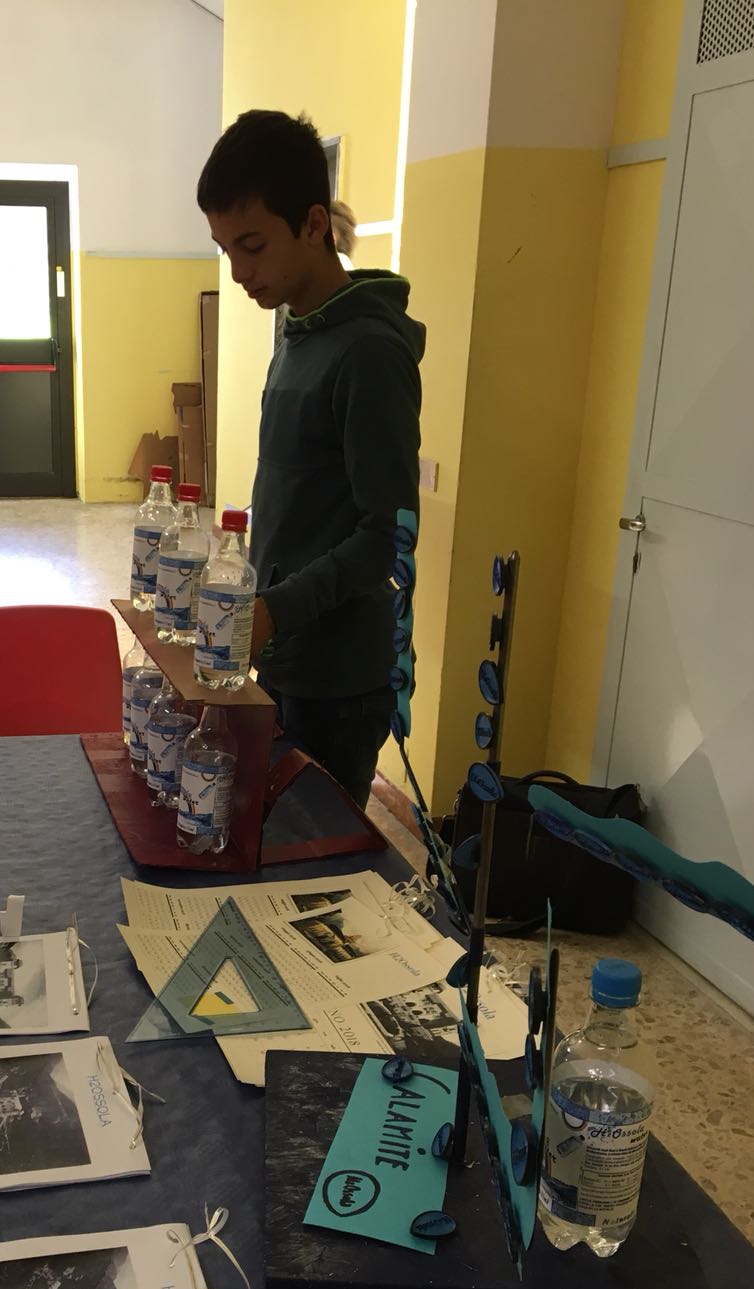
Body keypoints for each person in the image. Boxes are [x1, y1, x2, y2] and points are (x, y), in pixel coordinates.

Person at [197, 109, 424, 806]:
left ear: (314, 224)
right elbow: (301, 494)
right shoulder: (297, 331)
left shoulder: (368, 351)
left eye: (253, 246)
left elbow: (386, 536)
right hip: (285, 655)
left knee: (319, 854)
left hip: (340, 680)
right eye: (225, 250)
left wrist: (275, 608)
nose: (239, 272)